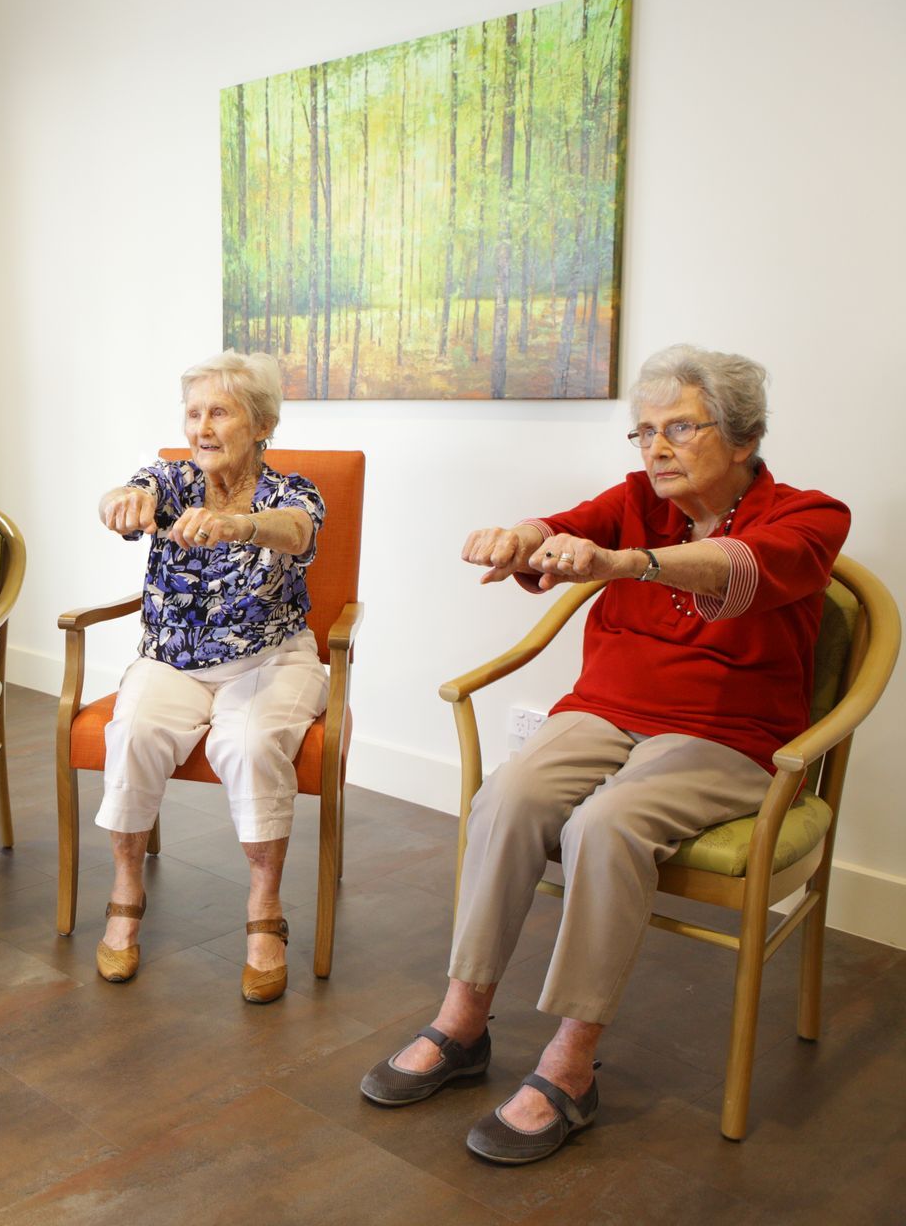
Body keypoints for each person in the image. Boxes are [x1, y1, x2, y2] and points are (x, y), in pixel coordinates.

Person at [358, 344, 849, 1165]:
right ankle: (463, 1021)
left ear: (741, 439)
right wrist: (523, 537)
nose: (654, 449)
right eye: (644, 431)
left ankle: (571, 1062)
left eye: (679, 429)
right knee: (507, 797)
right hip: (605, 712)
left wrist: (632, 564)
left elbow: (743, 568)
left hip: (729, 732)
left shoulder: (809, 514)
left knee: (608, 825)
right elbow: (563, 527)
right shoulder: (634, 500)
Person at [92, 351, 328, 1002]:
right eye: (194, 412)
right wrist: (123, 502)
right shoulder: (171, 481)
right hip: (173, 660)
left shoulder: (291, 492)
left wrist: (239, 525)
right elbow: (126, 493)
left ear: (261, 425)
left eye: (219, 412)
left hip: (270, 660)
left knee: (248, 745)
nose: (202, 426)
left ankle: (263, 908)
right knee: (133, 731)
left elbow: (297, 530)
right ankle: (125, 888)